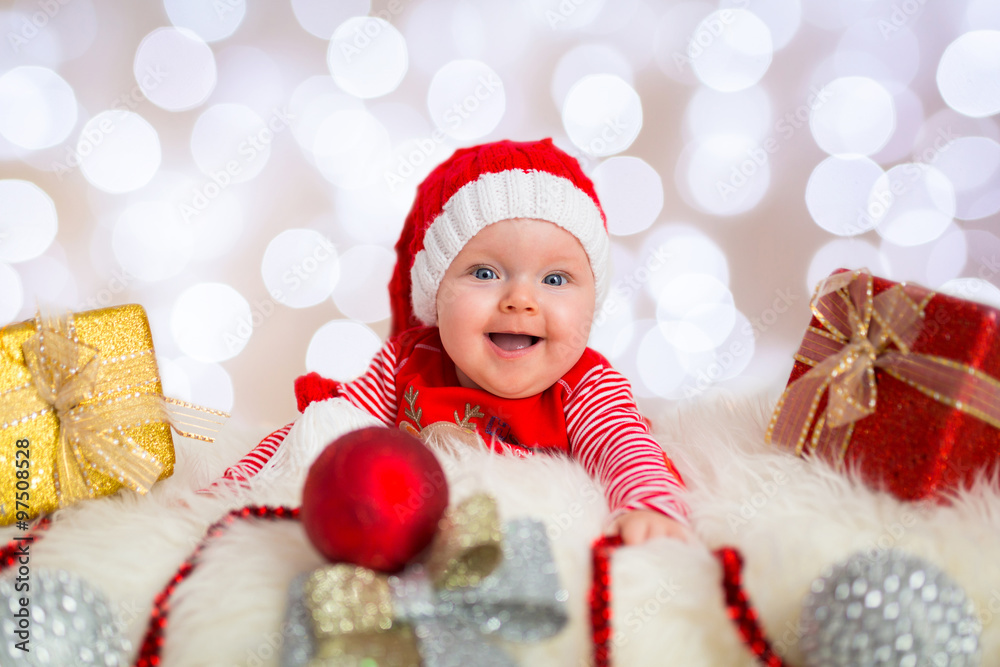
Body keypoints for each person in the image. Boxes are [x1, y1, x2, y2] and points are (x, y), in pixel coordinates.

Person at [228, 138, 690, 545]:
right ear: (435, 293)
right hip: (407, 541)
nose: (520, 300)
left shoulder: (586, 384)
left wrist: (647, 506)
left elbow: (625, 446)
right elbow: (326, 429)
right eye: (485, 273)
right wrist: (240, 483)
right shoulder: (408, 360)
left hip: (528, 549)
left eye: (555, 278)